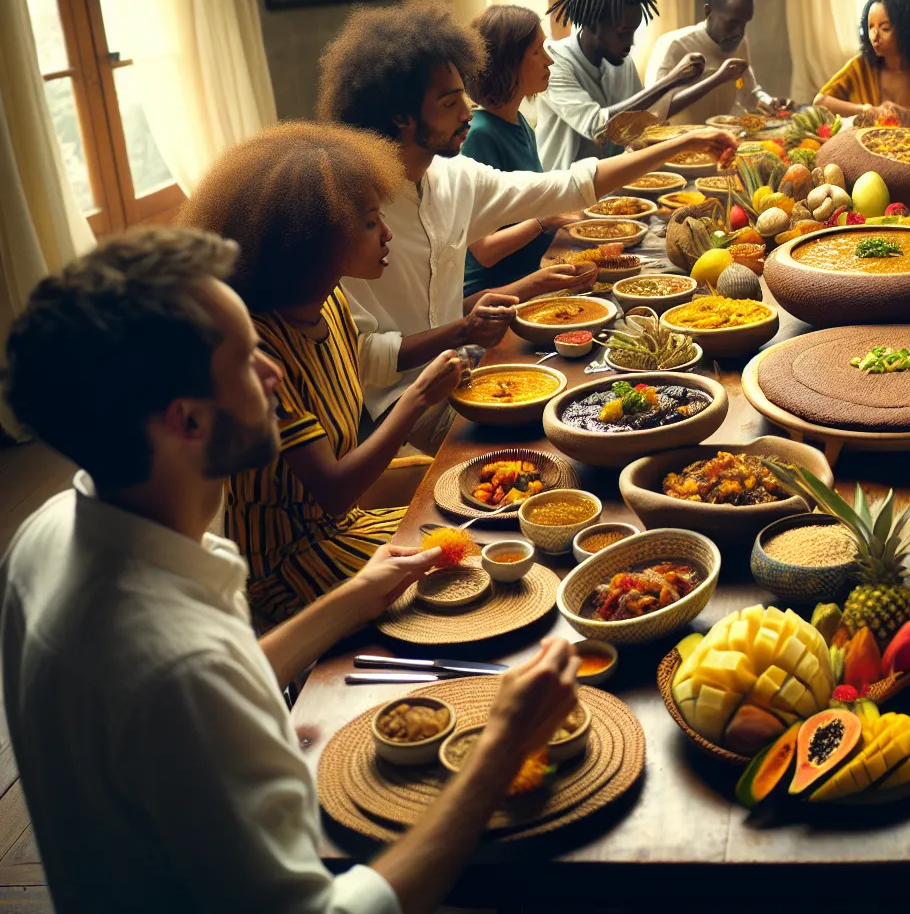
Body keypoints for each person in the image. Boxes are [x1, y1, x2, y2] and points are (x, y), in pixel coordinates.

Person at [2, 226, 583, 913]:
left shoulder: (46, 534)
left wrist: (351, 600)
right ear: (186, 420)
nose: (274, 370)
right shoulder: (177, 668)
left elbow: (224, 683)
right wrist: (501, 754)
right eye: (249, 358)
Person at [317, 0, 733, 435]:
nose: (465, 114)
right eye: (448, 103)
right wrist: (463, 330)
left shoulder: (454, 177)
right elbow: (363, 356)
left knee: (605, 398)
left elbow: (569, 185)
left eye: (464, 96)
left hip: (462, 375)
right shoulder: (353, 214)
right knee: (576, 425)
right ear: (400, 116)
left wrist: (680, 143)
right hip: (403, 411)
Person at [178, 122, 459, 627]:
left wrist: (462, 327)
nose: (387, 233)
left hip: (344, 527)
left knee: (475, 529)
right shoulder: (258, 348)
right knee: (461, 567)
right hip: (289, 563)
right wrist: (416, 397)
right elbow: (331, 491)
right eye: (372, 222)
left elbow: (361, 365)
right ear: (313, 240)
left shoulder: (329, 301)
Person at [535, 0, 734, 169]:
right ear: (592, 25)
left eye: (633, 32)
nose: (630, 43)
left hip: (611, 185)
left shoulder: (621, 59)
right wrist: (672, 80)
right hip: (563, 192)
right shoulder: (553, 61)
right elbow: (598, 128)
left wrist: (714, 79)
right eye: (623, 33)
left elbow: (642, 120)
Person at [460, 4, 564, 297]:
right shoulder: (479, 136)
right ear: (509, 61)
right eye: (538, 51)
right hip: (493, 292)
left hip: (533, 272)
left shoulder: (520, 123)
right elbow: (484, 251)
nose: (549, 61)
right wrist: (546, 220)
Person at [645, 0, 795, 123]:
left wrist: (769, 103)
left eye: (744, 24)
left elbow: (748, 93)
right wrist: (717, 79)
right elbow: (654, 109)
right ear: (708, 11)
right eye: (732, 23)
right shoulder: (674, 45)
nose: (739, 32)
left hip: (722, 140)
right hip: (677, 143)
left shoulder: (739, 43)